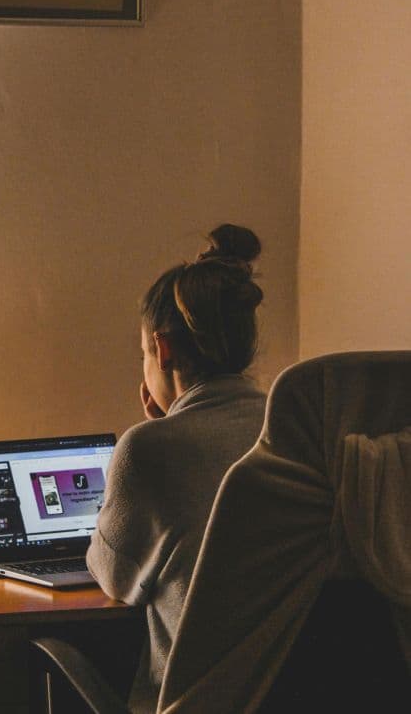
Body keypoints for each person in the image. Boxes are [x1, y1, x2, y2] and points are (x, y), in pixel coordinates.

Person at [86, 224, 268, 714]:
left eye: (144, 353)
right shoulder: (299, 430)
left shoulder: (150, 448)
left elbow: (117, 582)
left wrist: (157, 434)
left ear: (162, 349)